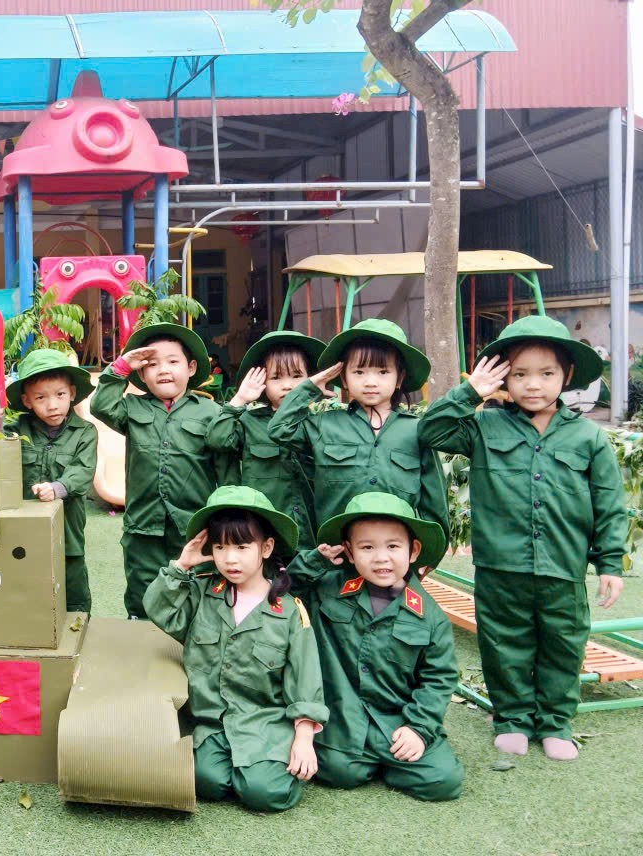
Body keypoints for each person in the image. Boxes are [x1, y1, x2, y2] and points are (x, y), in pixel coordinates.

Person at [418, 315, 627, 761]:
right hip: (500, 566)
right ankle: (512, 718)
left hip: (563, 566)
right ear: (503, 378)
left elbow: (609, 504)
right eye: (519, 374)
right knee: (503, 643)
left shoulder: (588, 437)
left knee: (563, 644)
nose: (533, 384)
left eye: (546, 373)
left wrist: (610, 563)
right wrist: (470, 392)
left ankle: (555, 722)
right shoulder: (484, 426)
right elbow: (431, 430)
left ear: (567, 375)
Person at [144, 486, 327, 812]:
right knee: (207, 781)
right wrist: (181, 566)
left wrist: (303, 739)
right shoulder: (202, 594)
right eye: (220, 547)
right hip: (212, 722)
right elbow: (160, 610)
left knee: (264, 793)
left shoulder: (288, 611)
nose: (230, 559)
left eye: (242, 547)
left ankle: (261, 767)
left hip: (264, 723)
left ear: (266, 548)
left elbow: (305, 678)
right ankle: (235, 768)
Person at [290, 492, 463, 801]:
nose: (381, 558)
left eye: (393, 546)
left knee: (443, 780)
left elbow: (439, 678)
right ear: (349, 552)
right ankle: (370, 763)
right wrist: (315, 560)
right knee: (338, 773)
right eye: (367, 547)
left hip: (397, 720)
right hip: (344, 718)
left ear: (413, 550)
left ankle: (388, 761)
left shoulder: (429, 615)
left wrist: (419, 729)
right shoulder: (328, 588)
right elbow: (284, 586)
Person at [89, 322, 237, 619]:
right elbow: (101, 406)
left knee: (198, 589)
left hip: (194, 526)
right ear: (142, 375)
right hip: (144, 526)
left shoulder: (211, 412)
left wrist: (227, 519)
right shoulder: (132, 408)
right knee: (143, 591)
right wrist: (121, 367)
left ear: (191, 368)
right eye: (152, 365)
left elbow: (227, 470)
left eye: (172, 361)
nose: (163, 370)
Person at [267, 318, 449, 542]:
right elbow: (279, 428)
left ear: (399, 378)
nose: (370, 382)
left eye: (383, 372)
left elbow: (435, 503)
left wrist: (430, 549)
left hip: (395, 553)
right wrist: (310, 387)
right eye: (359, 372)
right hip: (337, 552)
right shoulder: (324, 425)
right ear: (343, 378)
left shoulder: (416, 430)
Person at [5, 349, 98, 613]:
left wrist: (58, 488)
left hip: (67, 526)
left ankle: (79, 621)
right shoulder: (14, 430)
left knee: (72, 578)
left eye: (60, 395)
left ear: (72, 393)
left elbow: (83, 469)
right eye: (41, 398)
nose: (52, 405)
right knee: (26, 575)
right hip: (24, 528)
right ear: (27, 401)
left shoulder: (85, 432)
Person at [215, 330, 327, 548]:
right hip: (264, 529)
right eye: (276, 377)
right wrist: (240, 399)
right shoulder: (250, 421)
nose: (287, 385)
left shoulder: (321, 423)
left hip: (312, 531)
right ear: (263, 383)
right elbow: (218, 439)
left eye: (297, 376)